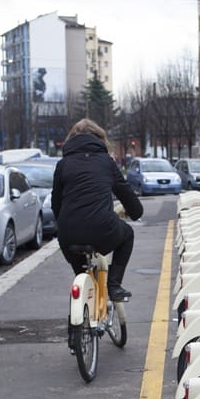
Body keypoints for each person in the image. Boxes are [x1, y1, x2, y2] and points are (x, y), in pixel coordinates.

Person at [52, 118, 143, 301]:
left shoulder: (63, 165)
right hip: (102, 229)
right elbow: (126, 194)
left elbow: (56, 204)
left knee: (80, 273)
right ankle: (114, 286)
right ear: (100, 139)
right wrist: (135, 212)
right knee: (128, 235)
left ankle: (81, 307)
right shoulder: (106, 163)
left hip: (69, 234)